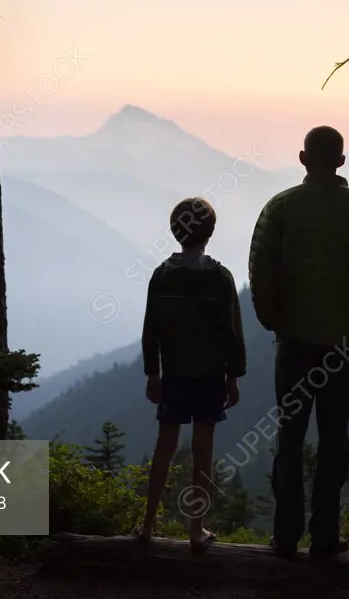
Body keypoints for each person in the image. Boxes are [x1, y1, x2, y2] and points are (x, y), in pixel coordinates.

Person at [248, 125, 349, 560]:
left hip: (293, 342)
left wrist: (273, 320)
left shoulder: (280, 208)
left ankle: (286, 536)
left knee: (290, 437)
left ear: (301, 158)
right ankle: (326, 538)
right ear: (342, 161)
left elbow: (261, 271)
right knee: (335, 438)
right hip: (343, 345)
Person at [137, 197, 245, 551]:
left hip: (175, 375)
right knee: (203, 452)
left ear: (175, 231)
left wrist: (153, 372)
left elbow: (151, 328)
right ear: (211, 233)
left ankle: (148, 525)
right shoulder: (220, 279)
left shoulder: (163, 277)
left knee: (164, 448)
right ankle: (196, 529)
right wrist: (233, 377)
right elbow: (232, 332)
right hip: (210, 377)